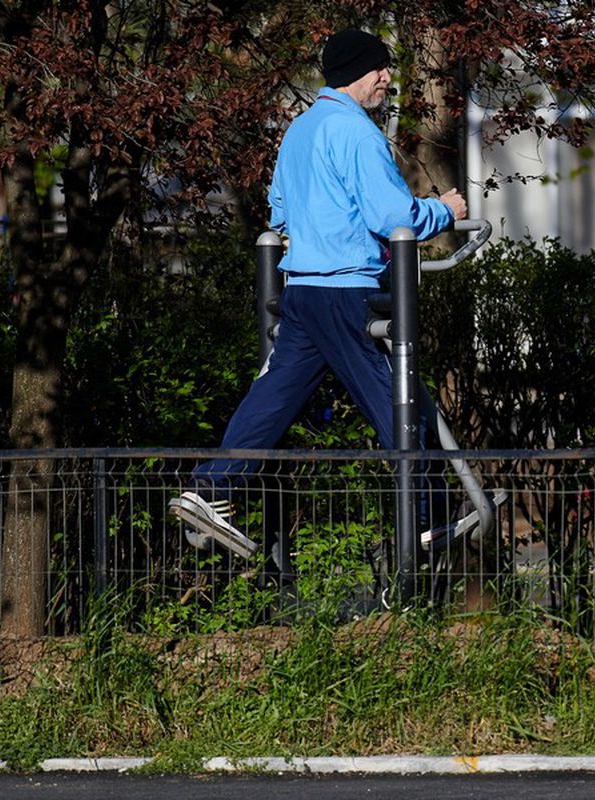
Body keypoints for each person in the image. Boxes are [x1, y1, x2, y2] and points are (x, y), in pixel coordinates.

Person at [170, 29, 474, 558]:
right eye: (380, 69)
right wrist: (444, 211)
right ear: (359, 71)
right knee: (392, 396)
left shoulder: (300, 130)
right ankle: (428, 513)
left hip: (302, 290)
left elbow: (280, 210)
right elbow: (393, 217)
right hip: (346, 290)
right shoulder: (356, 133)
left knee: (274, 393)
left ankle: (212, 488)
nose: (387, 79)